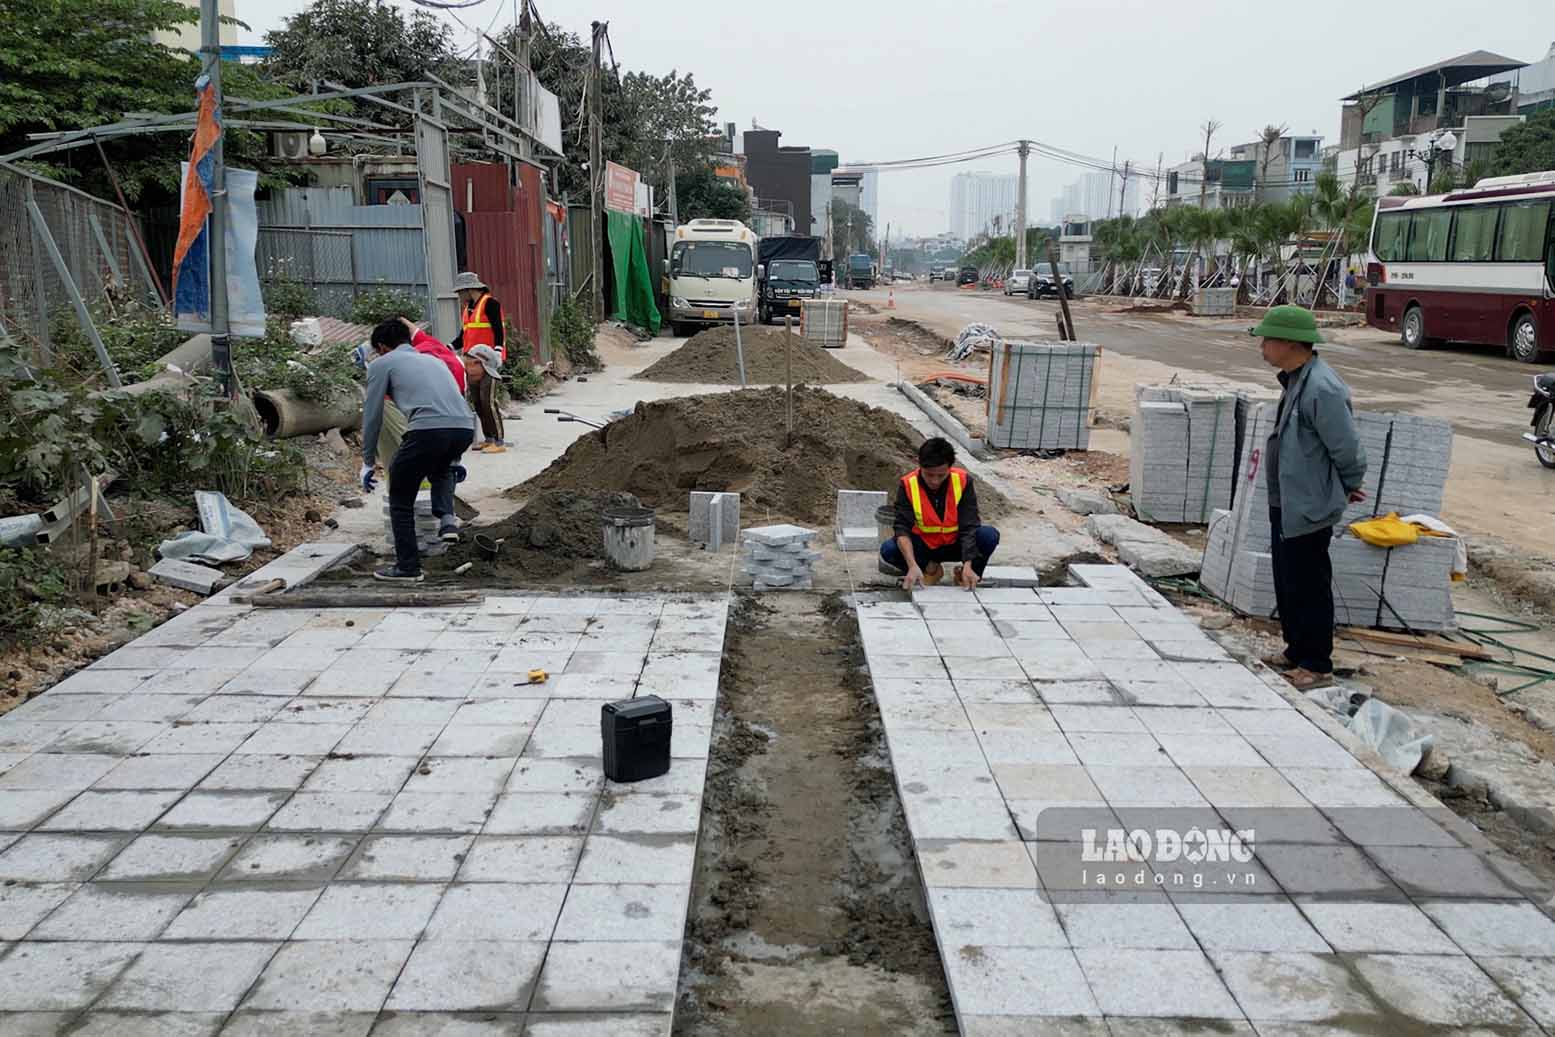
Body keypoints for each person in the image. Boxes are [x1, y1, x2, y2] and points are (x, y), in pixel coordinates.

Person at [1252, 304, 1367, 691]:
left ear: (1289, 342)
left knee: (1309, 583)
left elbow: (1347, 448)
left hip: (1308, 504)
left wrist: (1347, 484)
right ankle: (1296, 649)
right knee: (1288, 579)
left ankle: (1316, 663)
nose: (1262, 346)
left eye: (1267, 340)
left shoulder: (1322, 388)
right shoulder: (1296, 380)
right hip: (1288, 500)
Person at [361, 318, 476, 584]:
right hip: (464, 427)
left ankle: (408, 568)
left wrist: (367, 461)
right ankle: (447, 519)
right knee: (442, 467)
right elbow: (453, 399)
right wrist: (456, 454)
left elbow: (372, 415)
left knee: (400, 497)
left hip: (427, 430)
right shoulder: (434, 361)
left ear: (382, 347)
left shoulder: (382, 364)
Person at [880, 437, 1000, 591]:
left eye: (941, 475)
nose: (935, 481)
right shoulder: (908, 484)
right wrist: (912, 565)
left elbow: (969, 526)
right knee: (889, 550)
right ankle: (929, 570)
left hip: (955, 544)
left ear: (950, 467)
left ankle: (967, 574)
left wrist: (969, 563)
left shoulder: (963, 481)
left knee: (988, 535)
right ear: (920, 465)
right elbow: (902, 527)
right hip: (925, 546)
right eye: (929, 475)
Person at [451, 271, 505, 363]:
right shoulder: (469, 309)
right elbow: (462, 337)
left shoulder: (490, 304)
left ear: (469, 290)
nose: (459, 296)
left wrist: (498, 351)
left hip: (487, 359)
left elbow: (498, 329)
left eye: (460, 292)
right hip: (471, 358)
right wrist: (448, 347)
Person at [463, 344, 506, 454]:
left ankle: (498, 442)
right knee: (479, 406)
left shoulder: (488, 370)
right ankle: (489, 438)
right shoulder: (472, 365)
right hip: (477, 376)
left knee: (489, 405)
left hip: (487, 374)